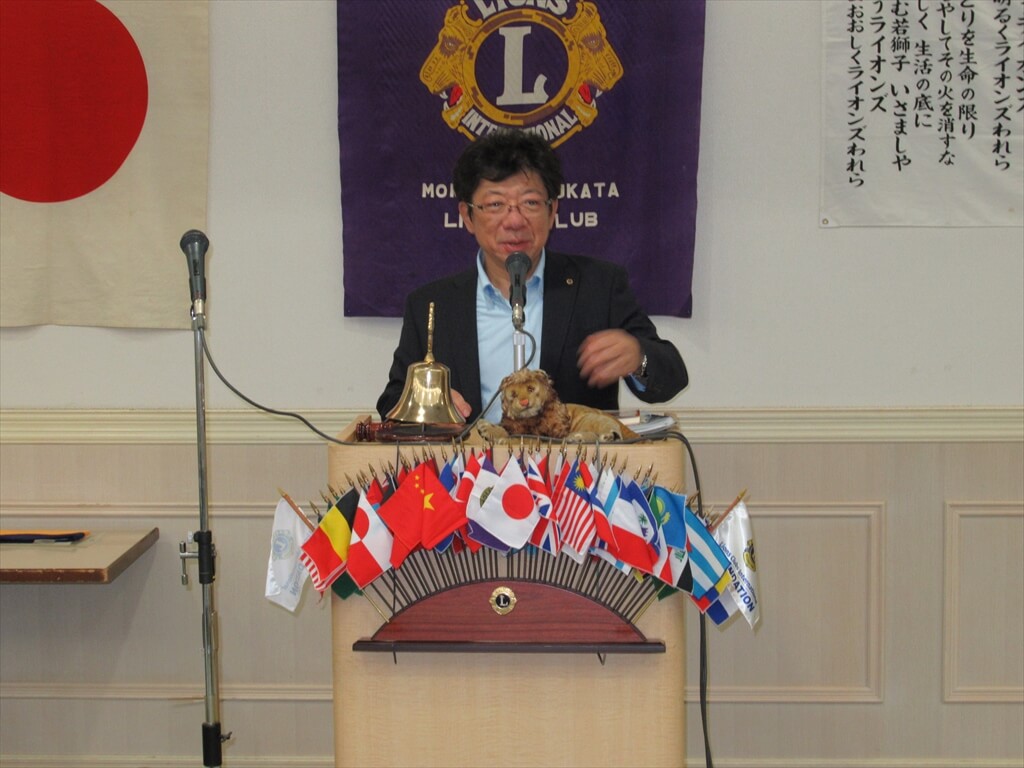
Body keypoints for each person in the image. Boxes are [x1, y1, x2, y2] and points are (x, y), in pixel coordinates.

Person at [376, 129, 687, 424]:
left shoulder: (599, 286)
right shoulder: (432, 304)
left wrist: (638, 358)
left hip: (574, 463)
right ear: (467, 216)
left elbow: (672, 377)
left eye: (530, 203)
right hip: (470, 463)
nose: (514, 220)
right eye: (495, 204)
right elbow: (392, 400)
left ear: (552, 212)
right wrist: (430, 402)